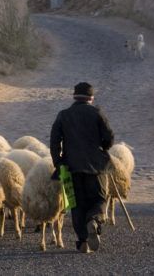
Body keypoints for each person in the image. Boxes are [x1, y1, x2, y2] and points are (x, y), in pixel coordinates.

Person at [49, 81, 114, 253]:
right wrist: (103, 148)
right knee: (100, 199)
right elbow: (109, 136)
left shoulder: (63, 115)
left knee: (76, 204)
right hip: (96, 167)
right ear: (91, 98)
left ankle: (83, 241)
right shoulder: (97, 113)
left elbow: (54, 141)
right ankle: (94, 219)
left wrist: (59, 162)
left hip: (71, 168)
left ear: (74, 96)